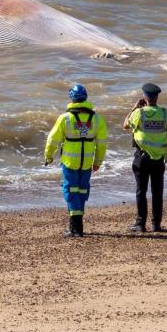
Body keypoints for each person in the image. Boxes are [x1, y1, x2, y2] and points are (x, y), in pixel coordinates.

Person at [44, 83, 108, 237]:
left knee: (71, 191)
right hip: (87, 162)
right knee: (82, 190)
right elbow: (102, 144)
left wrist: (48, 156)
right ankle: (77, 225)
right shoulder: (98, 119)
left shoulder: (65, 118)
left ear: (72, 98)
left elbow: (52, 139)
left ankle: (76, 229)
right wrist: (98, 162)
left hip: (69, 162)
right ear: (85, 97)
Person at [124, 82, 167, 233]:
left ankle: (140, 224)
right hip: (159, 159)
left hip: (142, 158)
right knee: (157, 192)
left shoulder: (139, 113)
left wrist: (134, 108)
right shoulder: (165, 113)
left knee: (141, 191)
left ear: (145, 97)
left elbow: (125, 125)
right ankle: (156, 224)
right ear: (157, 97)